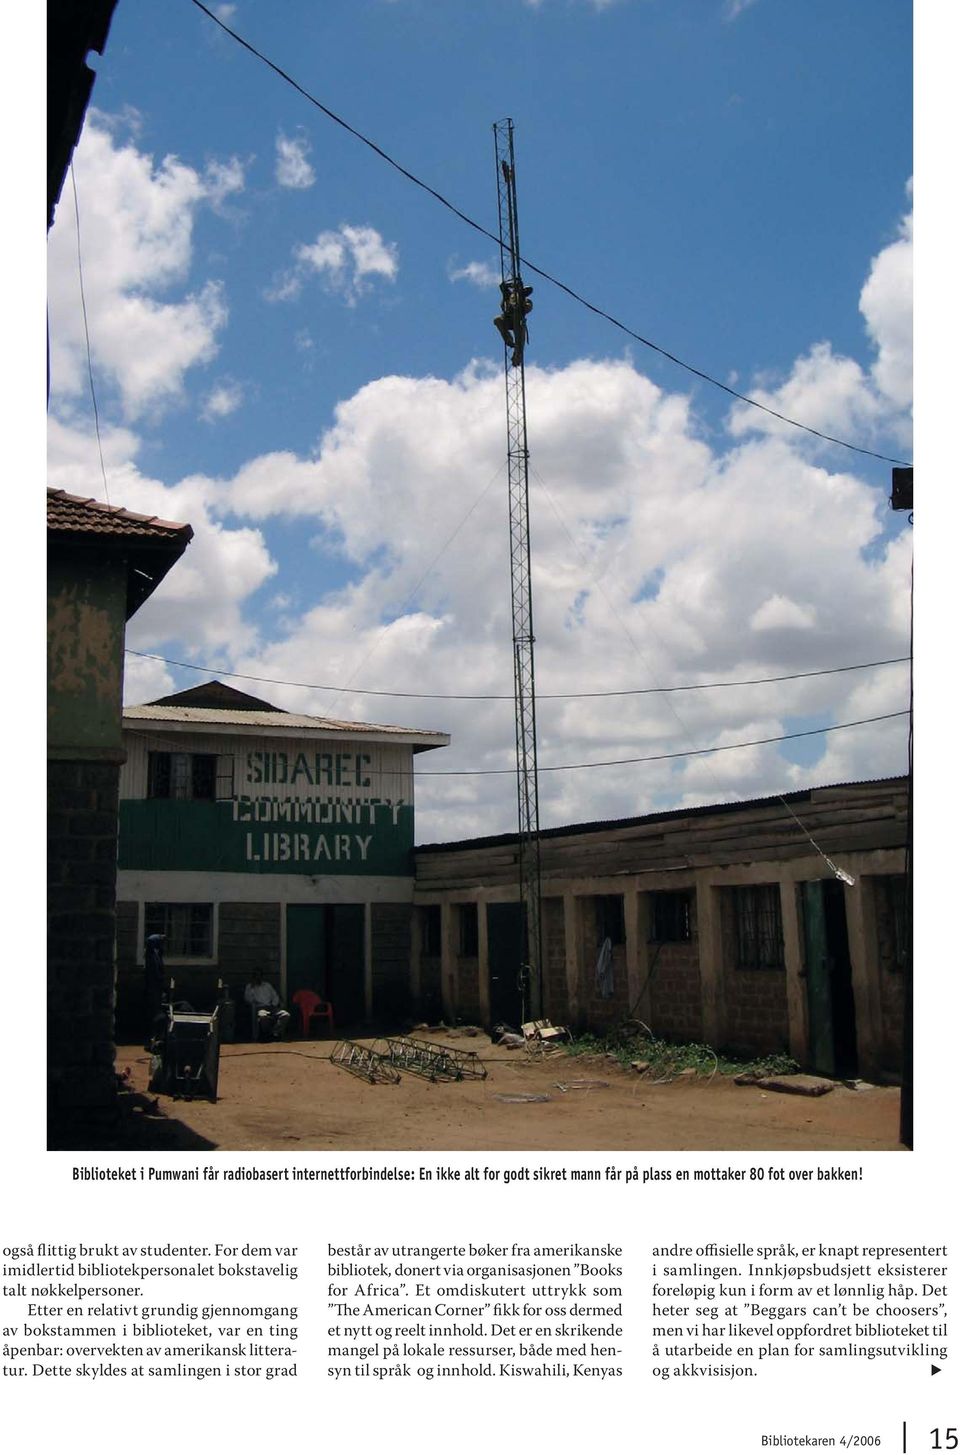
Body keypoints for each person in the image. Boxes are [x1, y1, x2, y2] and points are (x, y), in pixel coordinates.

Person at [493, 279, 533, 367]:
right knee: (497, 320)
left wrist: (520, 303)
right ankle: (509, 341)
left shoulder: (526, 301)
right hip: (508, 319)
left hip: (517, 321)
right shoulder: (510, 295)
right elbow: (502, 286)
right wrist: (511, 284)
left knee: (520, 340)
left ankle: (517, 357)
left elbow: (527, 309)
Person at [244, 970, 291, 1041]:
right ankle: (267, 1035)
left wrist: (274, 1004)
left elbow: (275, 996)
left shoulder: (267, 985)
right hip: (260, 1008)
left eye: (259, 976)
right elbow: (248, 999)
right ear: (253, 977)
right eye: (256, 976)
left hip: (271, 1007)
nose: (258, 978)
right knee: (263, 1017)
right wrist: (252, 987)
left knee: (285, 1015)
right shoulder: (250, 987)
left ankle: (274, 1032)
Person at [144, 932, 167, 1049]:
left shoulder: (155, 955)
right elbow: (157, 974)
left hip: (155, 990)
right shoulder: (151, 958)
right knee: (154, 1016)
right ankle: (151, 1041)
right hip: (153, 991)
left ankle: (154, 1039)